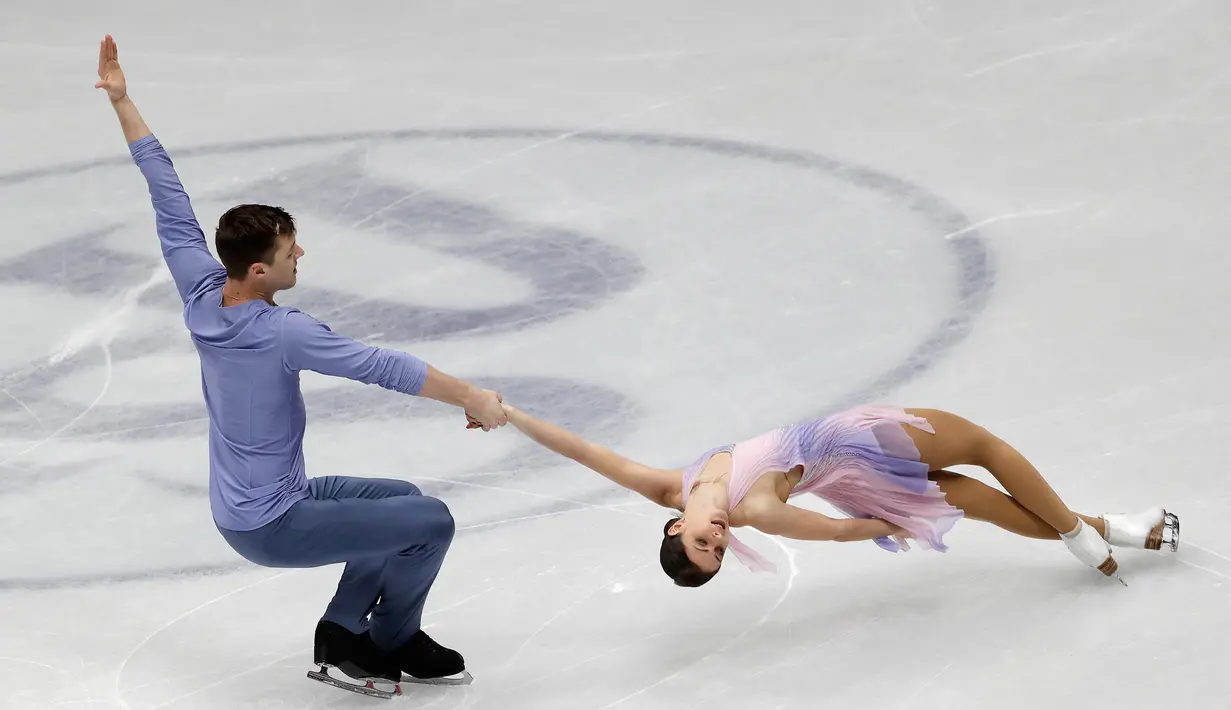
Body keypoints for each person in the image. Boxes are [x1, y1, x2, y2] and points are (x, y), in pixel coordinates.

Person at [95, 35, 506, 693]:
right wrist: (471, 396)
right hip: (274, 526)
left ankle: (342, 632)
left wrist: (123, 101)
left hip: (257, 506)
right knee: (431, 522)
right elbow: (380, 366)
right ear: (258, 271)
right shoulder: (279, 330)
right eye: (290, 253)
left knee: (400, 499)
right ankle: (391, 638)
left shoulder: (204, 290)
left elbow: (166, 195)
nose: (300, 255)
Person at [493, 402, 1178, 587]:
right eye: (719, 554)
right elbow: (835, 534)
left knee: (970, 495)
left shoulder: (665, 488)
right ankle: (1081, 534)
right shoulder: (752, 510)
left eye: (703, 543)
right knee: (983, 450)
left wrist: (512, 415)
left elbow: (584, 451)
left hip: (849, 479)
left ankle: (1116, 532)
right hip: (853, 445)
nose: (718, 540)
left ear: (674, 529)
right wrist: (890, 529)